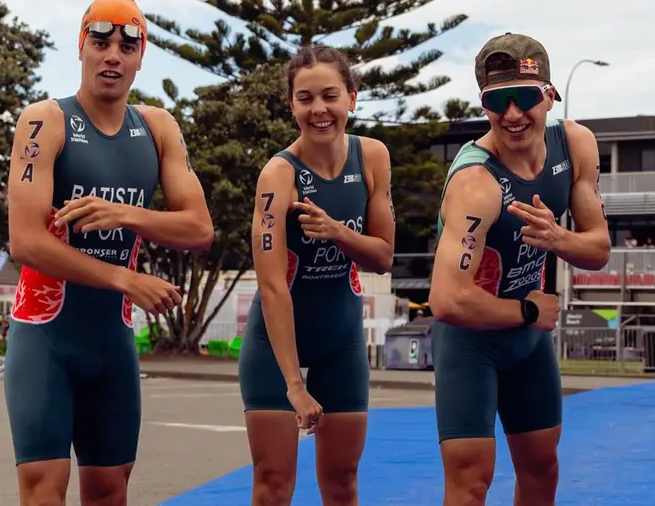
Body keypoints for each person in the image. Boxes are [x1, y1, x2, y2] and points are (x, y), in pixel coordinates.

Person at [3, 0, 214, 504]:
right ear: (81, 47)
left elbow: (199, 227)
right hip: (46, 340)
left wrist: (126, 214)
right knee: (44, 491)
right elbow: (25, 241)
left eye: (127, 45)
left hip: (111, 347)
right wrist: (125, 278)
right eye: (100, 43)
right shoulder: (44, 121)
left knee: (110, 491)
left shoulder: (157, 128)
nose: (112, 56)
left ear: (142, 57)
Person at [427, 33, 611, 506]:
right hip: (471, 342)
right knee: (471, 482)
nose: (512, 115)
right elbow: (446, 300)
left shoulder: (575, 144)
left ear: (550, 94)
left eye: (525, 97)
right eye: (497, 101)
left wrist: (559, 239)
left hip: (528, 341)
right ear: (483, 104)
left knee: (542, 469)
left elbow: (597, 249)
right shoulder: (476, 183)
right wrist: (527, 312)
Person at [238, 44, 396, 506]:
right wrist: (294, 386)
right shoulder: (278, 175)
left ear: (352, 96)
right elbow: (271, 287)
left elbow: (383, 256)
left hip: (340, 339)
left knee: (343, 480)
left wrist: (335, 232)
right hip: (274, 343)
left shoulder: (372, 157)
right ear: (292, 105)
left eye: (330, 96)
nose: (319, 110)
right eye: (305, 99)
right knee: (273, 482)